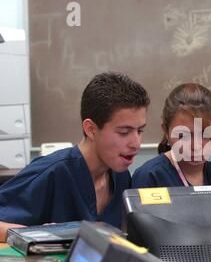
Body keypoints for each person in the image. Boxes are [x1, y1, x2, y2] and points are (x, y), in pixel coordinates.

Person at [0, 72, 150, 241]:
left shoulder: (120, 175)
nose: (136, 143)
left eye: (140, 130)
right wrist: (34, 234)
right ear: (91, 129)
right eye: (124, 132)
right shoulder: (51, 172)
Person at [132, 83, 211, 188]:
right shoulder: (150, 178)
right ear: (166, 130)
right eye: (184, 136)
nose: (196, 146)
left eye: (205, 133)